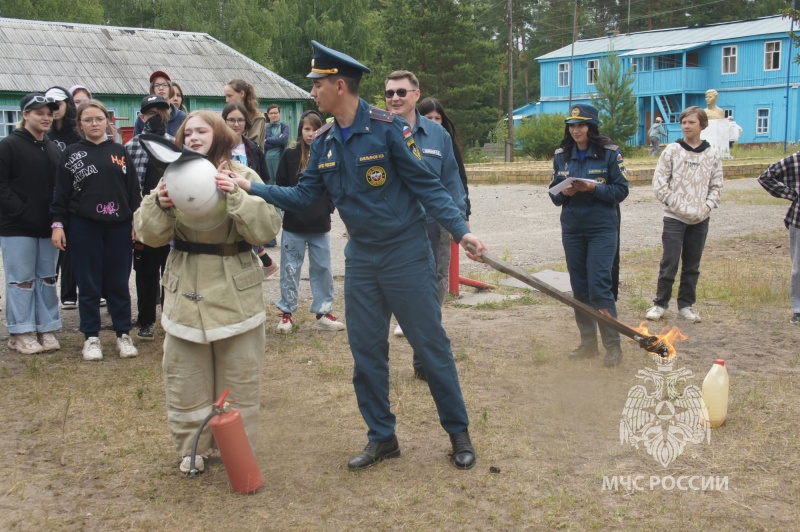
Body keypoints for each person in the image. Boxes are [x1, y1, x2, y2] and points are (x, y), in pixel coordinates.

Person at [227, 41, 487, 471]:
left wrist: (463, 232)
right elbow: (303, 195)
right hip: (362, 259)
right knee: (366, 353)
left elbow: (428, 186)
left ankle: (458, 433)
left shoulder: (389, 129)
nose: (312, 91)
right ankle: (382, 437)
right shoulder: (326, 141)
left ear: (340, 85)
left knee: (431, 346)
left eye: (317, 84)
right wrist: (251, 187)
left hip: (405, 253)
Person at [134, 110, 281, 474]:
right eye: (188, 132)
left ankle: (238, 449)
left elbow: (266, 227)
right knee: (186, 376)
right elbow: (147, 234)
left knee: (240, 377)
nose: (194, 137)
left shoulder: (242, 175)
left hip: (234, 287)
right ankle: (192, 449)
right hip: (186, 287)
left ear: (219, 136)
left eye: (202, 131)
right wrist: (160, 205)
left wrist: (237, 197)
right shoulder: (170, 179)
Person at [384, 73, 467, 381]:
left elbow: (452, 184)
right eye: (389, 92)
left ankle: (424, 362)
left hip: (433, 226)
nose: (394, 98)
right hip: (393, 229)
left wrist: (459, 226)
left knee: (431, 293)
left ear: (416, 94)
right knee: (394, 294)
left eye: (401, 92)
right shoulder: (376, 132)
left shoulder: (437, 135)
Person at [51, 100, 141, 360]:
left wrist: (137, 222)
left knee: (118, 283)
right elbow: (60, 193)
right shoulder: (70, 153)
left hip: (119, 226)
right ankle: (91, 337)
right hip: (83, 225)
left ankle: (123, 334)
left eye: (99, 119)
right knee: (88, 283)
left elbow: (133, 192)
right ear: (80, 124)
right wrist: (57, 225)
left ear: (107, 122)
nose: (94, 123)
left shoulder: (120, 152)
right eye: (88, 119)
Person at [549, 104, 629, 367]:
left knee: (599, 287)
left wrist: (592, 189)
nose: (576, 130)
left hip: (601, 229)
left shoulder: (609, 154)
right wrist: (565, 193)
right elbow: (554, 194)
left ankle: (613, 346)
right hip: (572, 229)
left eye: (581, 125)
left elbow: (620, 191)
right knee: (580, 289)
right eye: (572, 125)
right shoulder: (562, 155)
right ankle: (587, 344)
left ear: (591, 127)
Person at [645, 107, 723, 324]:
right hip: (674, 217)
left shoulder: (711, 154)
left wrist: (706, 207)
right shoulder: (672, 150)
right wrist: (676, 205)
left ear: (702, 125)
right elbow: (660, 183)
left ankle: (686, 305)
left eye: (692, 122)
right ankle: (660, 303)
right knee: (669, 261)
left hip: (700, 219)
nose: (687, 126)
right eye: (684, 122)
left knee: (692, 264)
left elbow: (716, 185)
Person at [0, 93, 62, 354]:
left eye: (49, 113)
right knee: (21, 280)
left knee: (47, 279)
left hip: (47, 227)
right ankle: (20, 332)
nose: (46, 117)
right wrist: (21, 211)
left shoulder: (52, 147)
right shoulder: (9, 145)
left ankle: (46, 327)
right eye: (39, 112)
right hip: (17, 227)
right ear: (25, 115)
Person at [274, 109, 344, 333]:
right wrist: (289, 207)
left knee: (322, 269)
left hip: (319, 224)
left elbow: (335, 186)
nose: (311, 133)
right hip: (293, 225)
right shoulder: (290, 154)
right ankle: (287, 313)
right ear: (300, 130)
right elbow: (281, 185)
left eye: (315, 129)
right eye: (307, 129)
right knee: (290, 269)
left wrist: (328, 207)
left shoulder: (328, 154)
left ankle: (324, 312)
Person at [125, 95, 175, 341]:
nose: (157, 117)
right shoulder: (131, 147)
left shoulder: (175, 146)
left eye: (161, 112)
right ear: (142, 116)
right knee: (145, 272)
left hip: (171, 220)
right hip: (144, 219)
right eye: (151, 113)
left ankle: (170, 317)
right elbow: (129, 188)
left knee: (171, 271)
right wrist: (135, 220)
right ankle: (145, 321)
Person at [221, 102, 277, 277]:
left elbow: (262, 180)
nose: (236, 124)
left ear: (246, 122)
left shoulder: (253, 148)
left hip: (248, 207)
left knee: (248, 251)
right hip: (225, 208)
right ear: (224, 121)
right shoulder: (217, 147)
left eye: (240, 120)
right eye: (231, 120)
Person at [44, 86, 83, 311]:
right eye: (50, 104)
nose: (55, 108)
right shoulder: (44, 135)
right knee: (50, 250)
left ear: (67, 104)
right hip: (47, 198)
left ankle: (69, 293)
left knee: (69, 247)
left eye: (58, 103)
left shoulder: (76, 135)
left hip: (72, 198)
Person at [758, 153, 800, 325]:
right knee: (798, 268)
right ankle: (798, 309)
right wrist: (793, 195)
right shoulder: (796, 160)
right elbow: (766, 177)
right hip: (799, 221)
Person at [133, 71, 188, 136]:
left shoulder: (182, 117)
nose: (161, 88)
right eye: (157, 85)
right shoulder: (144, 116)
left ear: (170, 88)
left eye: (165, 85)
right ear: (152, 89)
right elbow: (136, 142)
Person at [224, 79, 266, 147]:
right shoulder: (226, 115)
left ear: (242, 94)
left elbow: (253, 144)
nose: (227, 100)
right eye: (226, 96)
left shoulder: (257, 117)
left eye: (229, 96)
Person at [263, 104, 290, 185]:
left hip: (279, 157)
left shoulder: (284, 126)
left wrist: (268, 140)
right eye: (271, 113)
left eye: (275, 113)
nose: (273, 115)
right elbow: (263, 144)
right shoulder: (266, 127)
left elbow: (283, 141)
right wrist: (278, 141)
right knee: (269, 182)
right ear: (268, 115)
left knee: (279, 182)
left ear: (279, 113)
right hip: (267, 158)